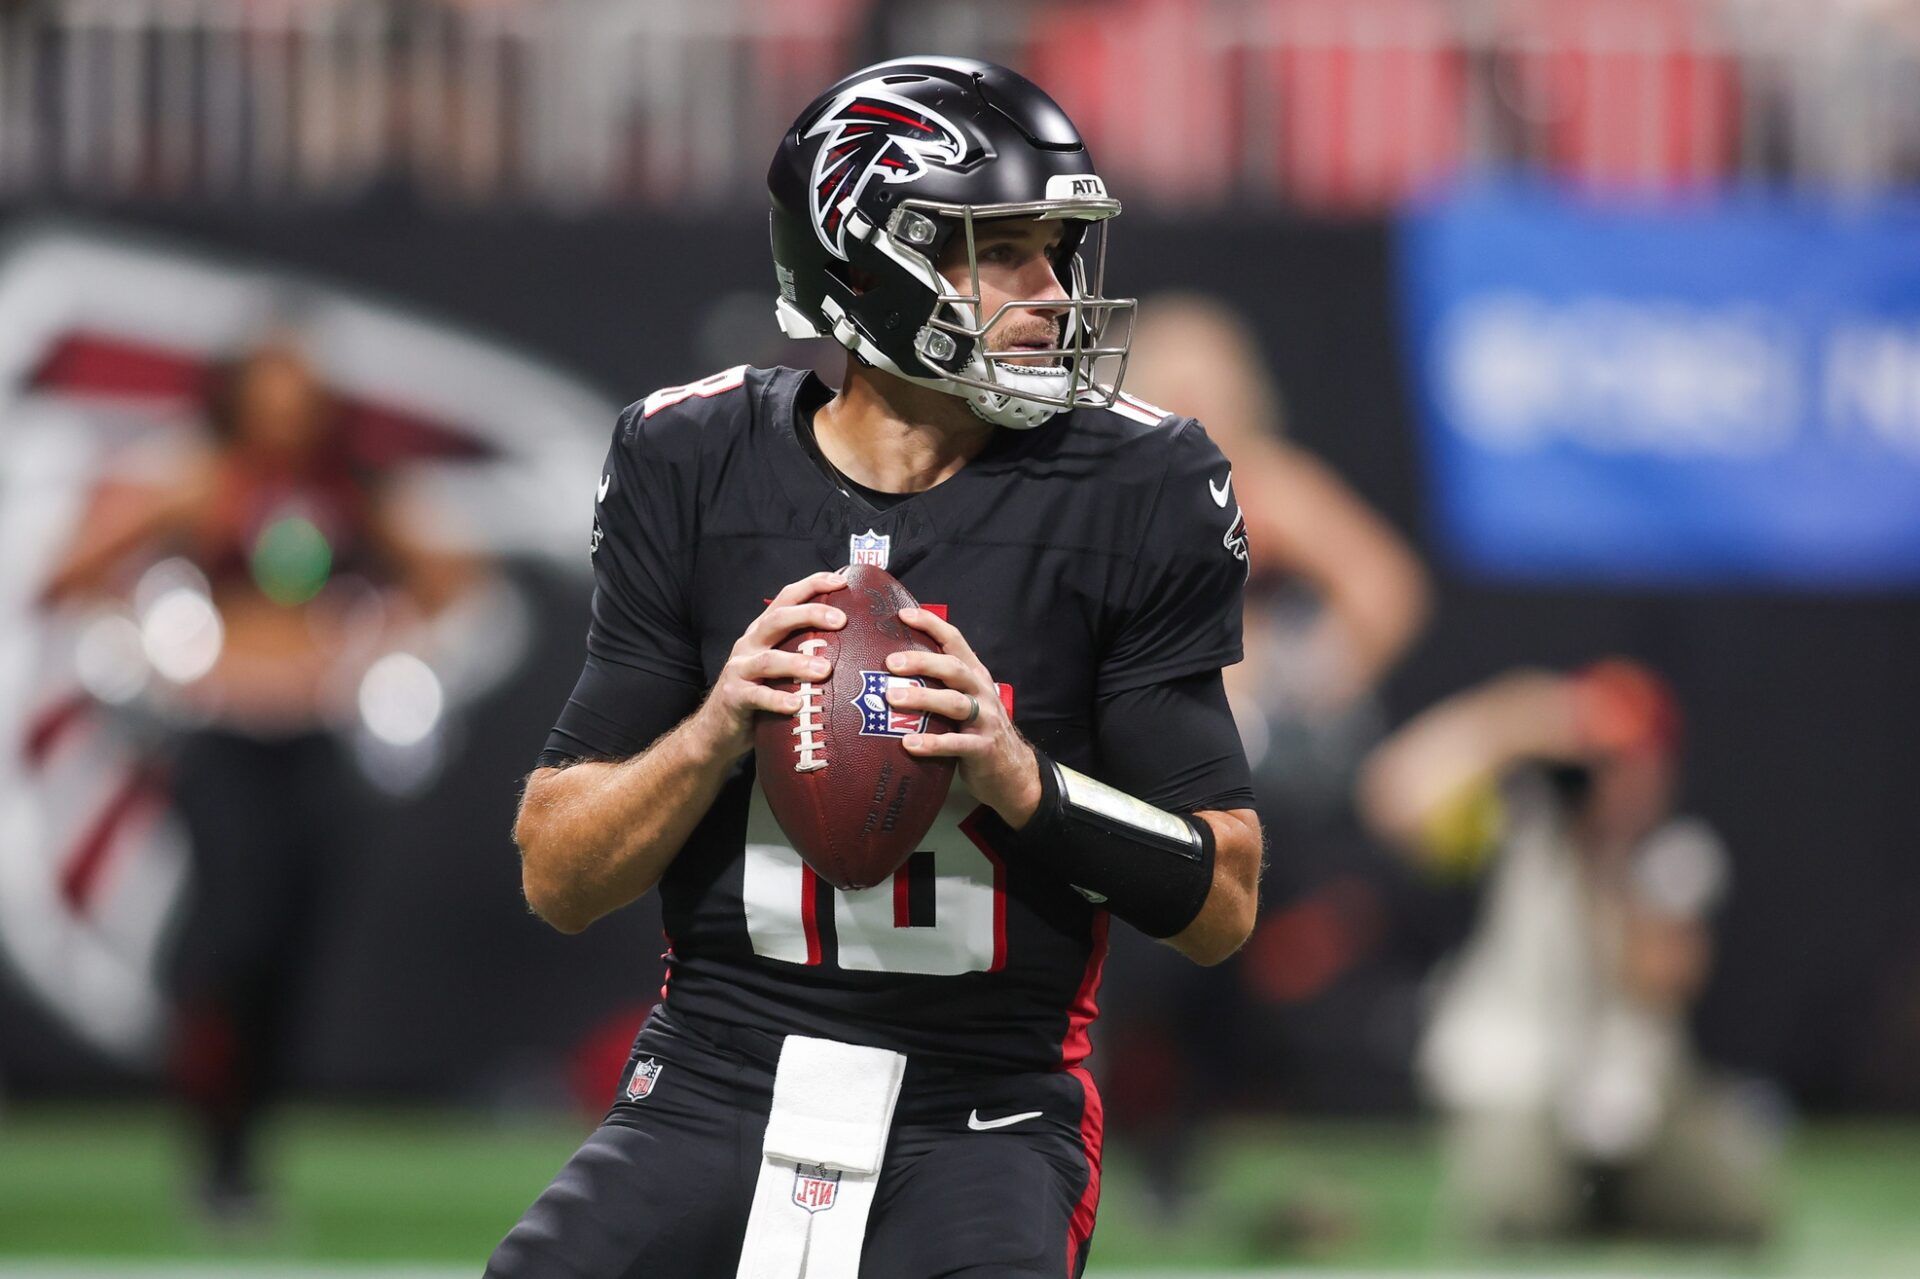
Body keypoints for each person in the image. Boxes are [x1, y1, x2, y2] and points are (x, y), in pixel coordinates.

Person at [494, 56, 1263, 1279]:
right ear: (867, 256)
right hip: (714, 1079)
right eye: (1000, 250)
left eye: (1059, 251)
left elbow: (1225, 899)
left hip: (985, 1108)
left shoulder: (1138, 485)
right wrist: (709, 736)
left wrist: (1024, 781)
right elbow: (556, 871)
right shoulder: (691, 459)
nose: (1051, 294)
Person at [39, 337, 473, 1219]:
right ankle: (214, 1145)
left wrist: (375, 638)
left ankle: (247, 1147)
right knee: (232, 935)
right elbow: (69, 574)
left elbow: (453, 576)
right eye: (270, 391)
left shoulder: (350, 486)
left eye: (302, 392)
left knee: (294, 945)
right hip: (222, 739)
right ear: (234, 397)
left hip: (314, 739)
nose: (286, 410)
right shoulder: (196, 476)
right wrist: (154, 633)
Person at [1356, 661, 1777, 1244]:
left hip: (1639, 1094)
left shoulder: (1675, 854)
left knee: (1737, 1209)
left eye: (1626, 762)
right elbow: (1391, 795)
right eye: (1597, 763)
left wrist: (1610, 861)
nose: (1610, 781)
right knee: (1519, 1215)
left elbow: (1658, 975)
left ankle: (1614, 1199)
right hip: (1516, 1084)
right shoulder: (1519, 828)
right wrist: (1524, 720)